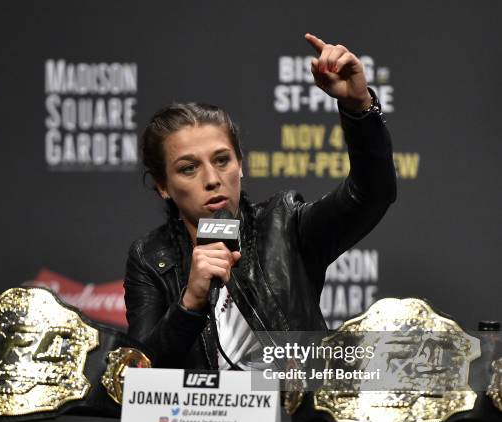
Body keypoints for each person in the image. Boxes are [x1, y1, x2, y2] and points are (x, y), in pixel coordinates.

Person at [124, 33, 397, 370]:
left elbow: (372, 193)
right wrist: (190, 302)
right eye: (189, 168)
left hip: (289, 415)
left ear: (241, 165)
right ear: (163, 187)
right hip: (199, 419)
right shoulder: (150, 258)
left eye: (222, 160)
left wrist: (359, 109)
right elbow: (136, 374)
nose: (212, 179)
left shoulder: (285, 226)